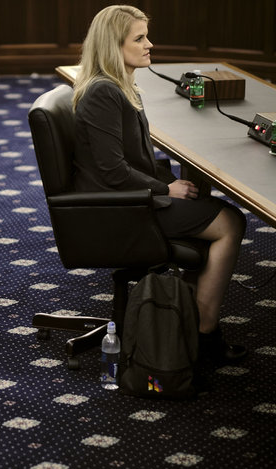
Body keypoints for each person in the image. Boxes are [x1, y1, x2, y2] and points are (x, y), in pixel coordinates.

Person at [72, 5, 247, 364]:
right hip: (119, 208)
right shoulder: (104, 93)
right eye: (140, 38)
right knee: (230, 222)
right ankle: (203, 331)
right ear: (112, 45)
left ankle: (186, 321)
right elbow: (113, 171)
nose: (150, 44)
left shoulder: (117, 85)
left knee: (210, 208)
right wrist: (166, 189)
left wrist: (166, 182)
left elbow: (134, 161)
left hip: (126, 198)